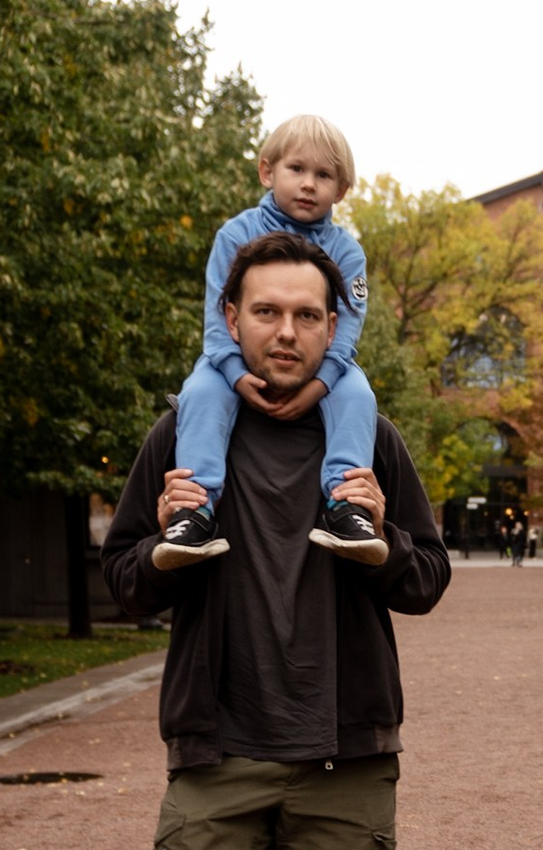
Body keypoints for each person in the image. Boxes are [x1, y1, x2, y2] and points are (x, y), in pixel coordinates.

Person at [103, 229, 453, 850]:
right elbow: (123, 577)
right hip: (218, 745)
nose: (287, 331)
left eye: (307, 314)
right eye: (267, 312)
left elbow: (426, 577)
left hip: (346, 750)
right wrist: (165, 541)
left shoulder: (367, 433)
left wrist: (384, 539)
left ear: (332, 325)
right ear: (232, 319)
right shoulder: (185, 428)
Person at [155, 115, 386, 572]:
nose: (308, 184)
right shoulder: (235, 235)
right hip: (230, 361)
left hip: (325, 367)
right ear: (267, 172)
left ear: (340, 190)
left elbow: (348, 330)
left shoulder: (347, 251)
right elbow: (217, 317)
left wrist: (319, 384)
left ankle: (346, 506)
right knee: (200, 394)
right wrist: (235, 374)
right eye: (296, 169)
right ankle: (194, 510)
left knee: (359, 396)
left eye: (324, 176)